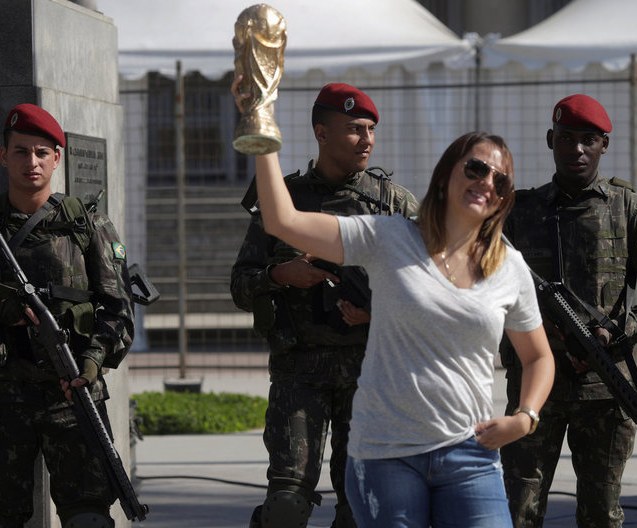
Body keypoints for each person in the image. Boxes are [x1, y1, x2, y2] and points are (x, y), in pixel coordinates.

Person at [235, 78, 556, 527]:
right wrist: (259, 124)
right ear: (446, 175)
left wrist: (524, 418)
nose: (486, 182)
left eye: (500, 181)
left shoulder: (507, 264)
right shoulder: (391, 237)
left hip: (467, 449)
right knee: (287, 504)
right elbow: (281, 221)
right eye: (475, 169)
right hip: (372, 436)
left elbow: (538, 354)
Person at [0, 103, 134, 528]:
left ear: (57, 158)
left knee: (89, 519)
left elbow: (118, 311)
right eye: (21, 151)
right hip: (1, 401)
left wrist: (93, 363)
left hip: (72, 398)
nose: (31, 162)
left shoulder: (86, 226)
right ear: (4, 156)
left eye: (42, 152)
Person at [230, 81, 419, 528]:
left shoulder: (394, 204)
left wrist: (378, 311)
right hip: (299, 371)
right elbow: (240, 284)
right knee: (287, 503)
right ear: (322, 133)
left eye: (371, 130)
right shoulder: (283, 199)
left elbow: (428, 291)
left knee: (361, 504)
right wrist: (280, 275)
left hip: (372, 373)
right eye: (355, 129)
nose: (367, 139)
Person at [500, 94, 637, 528]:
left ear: (604, 145)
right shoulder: (519, 212)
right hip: (533, 388)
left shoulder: (630, 210)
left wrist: (618, 330)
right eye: (566, 139)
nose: (576, 150)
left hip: (605, 390)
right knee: (518, 512)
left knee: (600, 514)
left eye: (587, 140)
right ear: (550, 140)